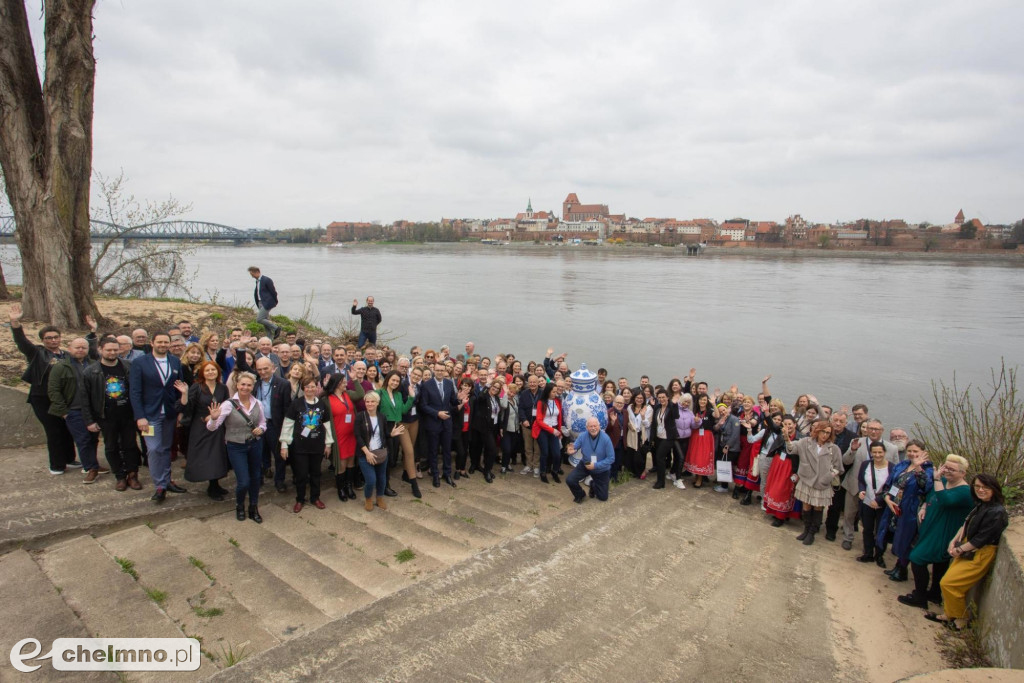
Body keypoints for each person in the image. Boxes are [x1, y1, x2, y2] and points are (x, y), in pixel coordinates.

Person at [9, 303, 91, 474]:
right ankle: (57, 465)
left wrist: (92, 333)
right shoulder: (37, 353)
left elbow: (87, 353)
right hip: (43, 398)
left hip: (64, 398)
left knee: (67, 429)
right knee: (53, 430)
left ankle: (69, 458)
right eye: (48, 338)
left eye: (55, 337)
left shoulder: (67, 355)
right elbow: (22, 343)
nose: (53, 340)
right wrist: (15, 323)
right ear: (43, 340)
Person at [925, 473, 1009, 631]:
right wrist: (955, 540)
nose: (980, 490)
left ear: (994, 489)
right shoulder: (982, 504)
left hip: (980, 553)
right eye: (977, 486)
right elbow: (966, 522)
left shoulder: (996, 512)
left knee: (949, 583)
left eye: (985, 487)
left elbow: (982, 539)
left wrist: (959, 549)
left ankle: (961, 618)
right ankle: (950, 614)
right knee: (949, 582)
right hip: (969, 549)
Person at [898, 454, 973, 609]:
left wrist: (937, 479)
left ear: (963, 473)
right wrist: (925, 506)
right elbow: (930, 495)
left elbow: (945, 500)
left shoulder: (965, 491)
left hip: (943, 532)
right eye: (946, 467)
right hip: (931, 528)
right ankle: (934, 594)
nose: (947, 471)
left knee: (917, 558)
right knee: (940, 563)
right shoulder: (944, 481)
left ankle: (920, 597)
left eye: (952, 469)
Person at [129, 332, 187, 503]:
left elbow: (179, 388)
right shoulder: (140, 362)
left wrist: (180, 411)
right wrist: (140, 416)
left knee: (167, 448)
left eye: (166, 342)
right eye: (159, 341)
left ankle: (168, 480)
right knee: (154, 449)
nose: (163, 344)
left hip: (169, 413)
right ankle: (160, 486)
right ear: (152, 343)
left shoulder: (175, 361)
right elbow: (135, 391)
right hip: (149, 415)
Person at [81, 336, 142, 491]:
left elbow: (137, 390)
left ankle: (133, 475)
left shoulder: (128, 366)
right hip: (106, 416)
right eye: (109, 350)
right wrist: (89, 421)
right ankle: (120, 476)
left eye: (115, 349)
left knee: (130, 445)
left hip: (128, 414)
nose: (112, 352)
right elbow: (84, 398)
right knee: (111, 447)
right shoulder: (91, 372)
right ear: (100, 350)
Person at [206, 371, 266, 523]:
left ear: (253, 387)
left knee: (255, 479)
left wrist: (261, 429)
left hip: (255, 444)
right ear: (237, 385)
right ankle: (240, 505)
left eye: (249, 385)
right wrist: (213, 419)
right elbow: (212, 428)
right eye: (243, 384)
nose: (245, 387)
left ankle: (253, 507)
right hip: (236, 446)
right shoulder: (228, 404)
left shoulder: (257, 403)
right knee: (244, 481)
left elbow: (263, 423)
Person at [47, 335, 106, 482]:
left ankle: (93, 464)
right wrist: (64, 412)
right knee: (83, 439)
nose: (80, 350)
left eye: (83, 347)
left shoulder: (94, 365)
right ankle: (90, 468)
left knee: (93, 439)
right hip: (73, 410)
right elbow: (54, 390)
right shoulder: (60, 367)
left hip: (93, 411)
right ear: (69, 349)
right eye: (77, 347)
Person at [876, 440, 934, 581]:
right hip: (894, 506)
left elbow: (925, 487)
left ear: (923, 452)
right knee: (895, 536)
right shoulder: (902, 465)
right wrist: (887, 497)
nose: (912, 454)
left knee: (906, 539)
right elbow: (891, 483)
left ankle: (902, 570)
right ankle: (897, 566)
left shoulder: (928, 469)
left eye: (916, 451)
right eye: (910, 451)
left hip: (911, 509)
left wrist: (918, 468)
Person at [840, 419, 900, 550]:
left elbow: (896, 472)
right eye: (870, 428)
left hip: (878, 491)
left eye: (876, 429)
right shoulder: (857, 442)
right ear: (866, 429)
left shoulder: (892, 448)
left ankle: (873, 543)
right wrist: (852, 450)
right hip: (855, 484)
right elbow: (846, 461)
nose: (873, 431)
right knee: (849, 514)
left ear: (882, 431)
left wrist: (891, 493)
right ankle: (847, 537)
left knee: (873, 520)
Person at [280, 376, 334, 512]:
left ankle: (315, 497)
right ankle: (300, 499)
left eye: (313, 386)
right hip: (300, 446)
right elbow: (287, 425)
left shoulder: (321, 404)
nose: (310, 389)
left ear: (317, 388)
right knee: (301, 475)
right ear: (303, 388)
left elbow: (327, 425)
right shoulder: (296, 404)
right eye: (307, 386)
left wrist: (328, 444)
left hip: (317, 445)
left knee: (316, 473)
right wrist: (284, 445)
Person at [785, 419, 842, 546]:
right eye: (823, 431)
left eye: (828, 432)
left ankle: (812, 532)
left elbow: (838, 467)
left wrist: (829, 476)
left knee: (817, 507)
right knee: (806, 506)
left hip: (822, 483)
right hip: (807, 479)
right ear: (817, 431)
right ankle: (806, 529)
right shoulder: (805, 442)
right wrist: (786, 437)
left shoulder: (834, 448)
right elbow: (791, 448)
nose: (825, 435)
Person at [181, 360, 230, 501]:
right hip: (200, 425)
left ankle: (215, 484)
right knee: (205, 455)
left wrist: (217, 416)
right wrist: (184, 394)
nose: (210, 372)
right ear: (202, 373)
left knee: (217, 455)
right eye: (207, 370)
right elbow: (189, 406)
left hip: (218, 425)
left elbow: (227, 405)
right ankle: (211, 486)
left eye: (213, 370)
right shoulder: (197, 387)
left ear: (218, 372)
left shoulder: (222, 388)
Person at [355, 391, 403, 511]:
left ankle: (380, 497)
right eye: (367, 401)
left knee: (382, 478)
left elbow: (384, 435)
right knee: (371, 480)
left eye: (372, 401)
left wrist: (391, 434)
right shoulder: (360, 416)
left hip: (381, 452)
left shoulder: (382, 417)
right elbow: (358, 436)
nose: (369, 404)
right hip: (365, 454)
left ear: (377, 403)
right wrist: (367, 453)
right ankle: (368, 498)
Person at [379, 370, 420, 497]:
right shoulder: (379, 393)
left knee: (391, 458)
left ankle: (401, 478)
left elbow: (402, 410)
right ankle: (387, 486)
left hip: (397, 426)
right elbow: (371, 405)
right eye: (393, 380)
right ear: (388, 380)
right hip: (386, 427)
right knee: (388, 457)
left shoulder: (397, 395)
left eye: (397, 381)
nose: (395, 383)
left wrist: (411, 397)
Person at [253, 357, 291, 493]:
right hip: (258, 424)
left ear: (273, 367)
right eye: (259, 369)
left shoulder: (283, 384)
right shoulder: (255, 384)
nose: (263, 372)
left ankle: (279, 480)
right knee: (259, 452)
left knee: (279, 454)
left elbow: (287, 408)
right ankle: (260, 477)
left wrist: (285, 429)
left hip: (275, 424)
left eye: (265, 368)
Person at [855, 441, 895, 566]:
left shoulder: (892, 468)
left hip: (882, 505)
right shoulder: (865, 464)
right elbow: (861, 480)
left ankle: (879, 555)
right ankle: (868, 553)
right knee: (867, 529)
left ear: (884, 452)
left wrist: (879, 500)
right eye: (874, 452)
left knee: (881, 530)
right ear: (871, 453)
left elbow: (894, 487)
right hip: (867, 502)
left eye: (880, 452)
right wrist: (861, 490)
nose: (877, 455)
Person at [419, 361, 458, 488]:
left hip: (447, 422)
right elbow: (423, 405)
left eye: (442, 370)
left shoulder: (449, 383)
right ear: (434, 370)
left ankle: (447, 474)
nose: (440, 372)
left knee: (447, 450)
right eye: (438, 370)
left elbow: (452, 402)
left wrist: (459, 399)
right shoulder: (426, 385)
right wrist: (437, 413)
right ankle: (435, 475)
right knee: (433, 450)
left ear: (445, 370)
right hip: (433, 422)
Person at [566, 416, 615, 503]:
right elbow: (575, 446)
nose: (593, 428)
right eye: (590, 426)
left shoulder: (606, 439)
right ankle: (580, 494)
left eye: (595, 426)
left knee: (603, 497)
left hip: (601, 469)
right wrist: (571, 450)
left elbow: (611, 458)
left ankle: (593, 484)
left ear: (599, 426)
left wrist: (595, 465)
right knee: (570, 480)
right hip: (586, 463)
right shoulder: (583, 436)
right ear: (587, 427)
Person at [763, 415, 801, 526]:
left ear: (795, 424)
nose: (788, 426)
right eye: (785, 424)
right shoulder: (780, 432)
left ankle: (781, 516)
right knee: (774, 487)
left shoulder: (800, 437)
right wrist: (766, 413)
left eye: (790, 424)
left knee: (784, 490)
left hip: (790, 465)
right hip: (778, 461)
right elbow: (771, 424)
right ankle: (775, 512)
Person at [326, 374, 358, 502]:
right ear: (337, 383)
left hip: (351, 435)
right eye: (344, 382)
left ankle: (349, 486)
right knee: (341, 463)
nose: (346, 384)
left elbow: (360, 393)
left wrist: (354, 379)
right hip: (339, 435)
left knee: (351, 461)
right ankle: (341, 488)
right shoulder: (327, 399)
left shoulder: (347, 394)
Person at [469, 380, 503, 483]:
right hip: (483, 426)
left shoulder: (496, 398)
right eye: (494, 387)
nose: (495, 389)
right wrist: (486, 387)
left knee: (490, 449)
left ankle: (487, 469)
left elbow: (498, 413)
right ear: (490, 386)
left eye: (497, 388)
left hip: (493, 426)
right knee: (481, 447)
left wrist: (500, 427)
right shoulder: (484, 396)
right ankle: (480, 467)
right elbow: (480, 397)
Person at [531, 381, 565, 485]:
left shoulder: (557, 401)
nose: (556, 393)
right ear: (548, 392)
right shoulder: (541, 402)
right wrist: (552, 430)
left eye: (556, 391)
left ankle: (554, 471)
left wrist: (559, 431)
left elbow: (559, 417)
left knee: (556, 454)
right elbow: (539, 420)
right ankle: (543, 472)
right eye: (553, 392)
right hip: (543, 430)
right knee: (545, 453)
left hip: (554, 429)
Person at [650, 388, 679, 490]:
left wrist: (675, 404)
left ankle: (660, 482)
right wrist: (652, 438)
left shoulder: (671, 407)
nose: (662, 399)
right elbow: (654, 423)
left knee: (659, 457)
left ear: (667, 397)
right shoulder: (657, 407)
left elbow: (676, 416)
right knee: (660, 459)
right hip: (658, 436)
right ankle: (660, 480)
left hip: (668, 437)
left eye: (663, 397)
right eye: (660, 397)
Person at [685, 394, 716, 487]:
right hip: (695, 435)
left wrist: (714, 404)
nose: (702, 401)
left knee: (702, 457)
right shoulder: (695, 411)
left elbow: (717, 415)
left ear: (707, 401)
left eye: (704, 400)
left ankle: (700, 479)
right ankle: (696, 476)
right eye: (701, 399)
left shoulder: (710, 411)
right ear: (698, 401)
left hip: (706, 436)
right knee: (695, 456)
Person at [624, 390, 652, 479]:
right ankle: (632, 472)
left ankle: (642, 470)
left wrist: (643, 416)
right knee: (631, 453)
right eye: (637, 398)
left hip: (641, 435)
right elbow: (628, 420)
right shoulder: (630, 407)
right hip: (631, 434)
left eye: (641, 398)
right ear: (634, 398)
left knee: (640, 456)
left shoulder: (648, 408)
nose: (639, 400)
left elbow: (648, 425)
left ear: (644, 399)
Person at [249, 266, 281, 339]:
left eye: (252, 274)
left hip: (267, 303)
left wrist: (275, 301)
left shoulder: (266, 280)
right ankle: (270, 339)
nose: (252, 276)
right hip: (260, 302)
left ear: (257, 272)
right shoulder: (257, 281)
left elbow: (273, 291)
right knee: (266, 323)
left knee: (259, 319)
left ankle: (276, 328)